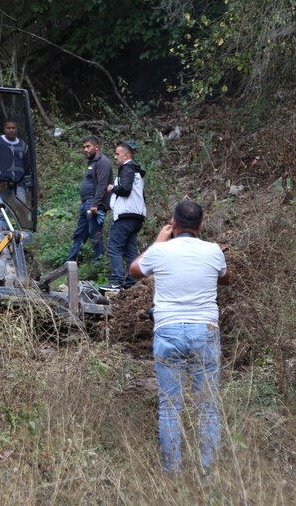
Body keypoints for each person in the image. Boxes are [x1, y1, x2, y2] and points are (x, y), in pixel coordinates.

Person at [129, 200, 231, 474]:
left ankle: (172, 472)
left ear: (173, 225)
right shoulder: (213, 251)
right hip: (204, 332)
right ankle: (208, 473)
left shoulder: (161, 251)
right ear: (201, 225)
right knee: (208, 405)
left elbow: (134, 270)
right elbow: (224, 277)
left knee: (169, 407)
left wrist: (158, 241)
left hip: (168, 330)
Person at [100, 141, 146, 292]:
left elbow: (125, 189)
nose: (115, 157)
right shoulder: (134, 170)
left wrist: (112, 188)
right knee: (130, 249)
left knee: (114, 247)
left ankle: (116, 282)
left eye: (117, 154)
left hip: (126, 216)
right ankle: (132, 282)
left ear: (126, 155)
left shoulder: (127, 168)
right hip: (136, 216)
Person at [63, 135, 112, 264]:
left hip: (94, 204)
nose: (85, 149)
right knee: (80, 233)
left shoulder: (103, 162)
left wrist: (95, 204)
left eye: (88, 146)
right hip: (86, 203)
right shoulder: (93, 162)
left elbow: (102, 185)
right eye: (84, 147)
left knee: (95, 234)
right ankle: (69, 262)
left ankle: (97, 265)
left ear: (97, 147)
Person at [0, 118, 28, 182]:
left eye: (13, 128)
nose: (11, 130)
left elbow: (26, 164)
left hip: (18, 183)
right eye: (9, 128)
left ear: (17, 129)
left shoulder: (23, 145)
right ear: (4, 129)